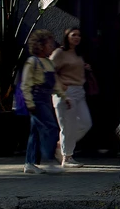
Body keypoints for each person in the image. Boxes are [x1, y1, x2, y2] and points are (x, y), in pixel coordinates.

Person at [20, 30, 64, 175]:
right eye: (49, 44)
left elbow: (55, 83)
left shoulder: (49, 62)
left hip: (46, 99)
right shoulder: (33, 62)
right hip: (37, 99)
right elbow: (25, 84)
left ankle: (30, 163)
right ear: (40, 45)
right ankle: (50, 159)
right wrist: (29, 102)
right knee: (51, 128)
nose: (52, 46)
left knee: (35, 133)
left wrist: (64, 96)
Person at [50, 27, 93, 168]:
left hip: (79, 91)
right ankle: (67, 158)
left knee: (86, 123)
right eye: (73, 35)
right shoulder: (59, 52)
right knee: (67, 126)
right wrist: (60, 87)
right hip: (65, 91)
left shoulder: (78, 53)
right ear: (67, 36)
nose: (77, 37)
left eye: (79, 35)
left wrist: (84, 67)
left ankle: (61, 146)